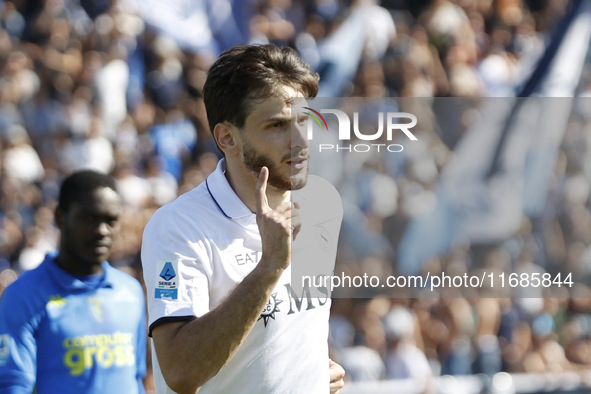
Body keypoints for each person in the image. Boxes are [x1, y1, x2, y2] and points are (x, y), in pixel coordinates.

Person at [141, 43, 346, 394]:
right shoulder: (177, 227)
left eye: (303, 120)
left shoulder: (322, 204)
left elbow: (293, 332)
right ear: (227, 137)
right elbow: (181, 371)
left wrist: (312, 374)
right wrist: (269, 267)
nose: (300, 140)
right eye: (277, 125)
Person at [0, 170, 147, 393]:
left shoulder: (130, 290)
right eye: (89, 218)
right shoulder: (23, 295)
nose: (102, 231)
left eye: (111, 221)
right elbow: (13, 384)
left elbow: (136, 376)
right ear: (60, 216)